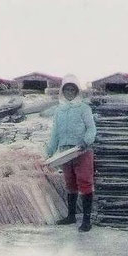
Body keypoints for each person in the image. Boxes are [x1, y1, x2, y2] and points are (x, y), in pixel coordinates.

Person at [46, 74, 97, 232]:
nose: (69, 92)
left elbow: (91, 128)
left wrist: (86, 141)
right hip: (65, 152)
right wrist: (49, 152)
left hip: (81, 151)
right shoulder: (59, 110)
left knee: (85, 182)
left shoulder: (83, 108)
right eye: (67, 89)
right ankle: (71, 216)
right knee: (70, 183)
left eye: (72, 89)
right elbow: (55, 133)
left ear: (77, 91)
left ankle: (87, 220)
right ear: (62, 91)